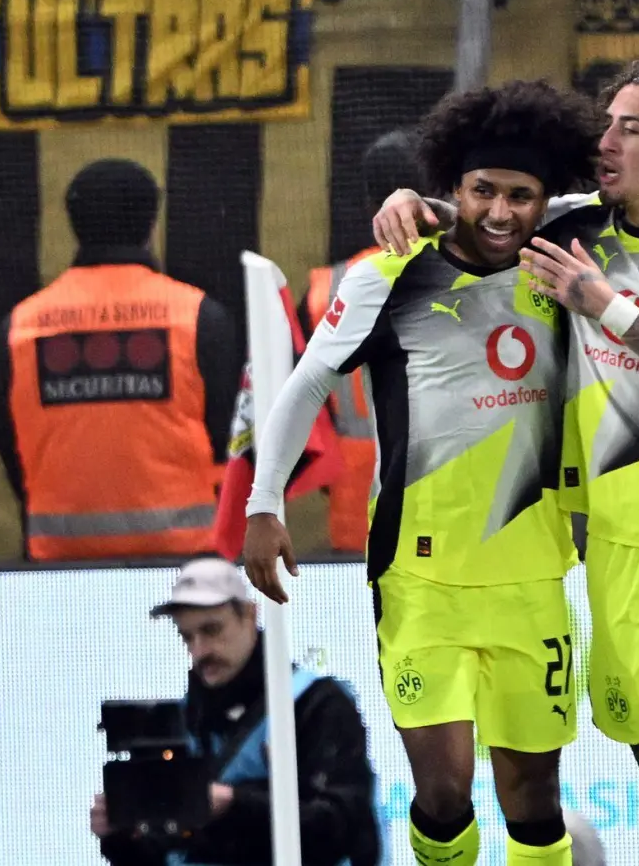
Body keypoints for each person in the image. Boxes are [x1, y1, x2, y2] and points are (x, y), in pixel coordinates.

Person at [370, 62, 639, 866]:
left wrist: (610, 307)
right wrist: (407, 201)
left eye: (628, 128)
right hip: (617, 555)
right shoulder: (575, 230)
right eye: (606, 124)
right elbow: (477, 209)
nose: (605, 141)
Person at [242, 80, 602, 866]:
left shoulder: (569, 262)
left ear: (545, 201)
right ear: (453, 189)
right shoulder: (387, 276)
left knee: (534, 802)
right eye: (482, 192)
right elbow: (305, 386)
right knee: (443, 792)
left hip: (532, 578)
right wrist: (263, 505)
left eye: (520, 195)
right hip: (419, 579)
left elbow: (634, 200)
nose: (501, 212)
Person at [0, 158, 239, 561]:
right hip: (187, 562)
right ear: (150, 224)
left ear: (73, 224)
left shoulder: (22, 326)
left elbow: (1, 428)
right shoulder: (198, 317)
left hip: (57, 557)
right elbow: (230, 431)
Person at [91, 558, 379, 866]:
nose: (199, 650)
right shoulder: (182, 722)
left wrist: (234, 804)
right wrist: (118, 837)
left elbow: (345, 829)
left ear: (250, 614)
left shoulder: (317, 705)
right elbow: (166, 854)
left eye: (212, 630)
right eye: (187, 637)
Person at [299, 130, 429, 552]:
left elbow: (302, 417)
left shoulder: (325, 291)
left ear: (369, 203)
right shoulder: (479, 276)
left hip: (360, 509)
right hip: (457, 504)